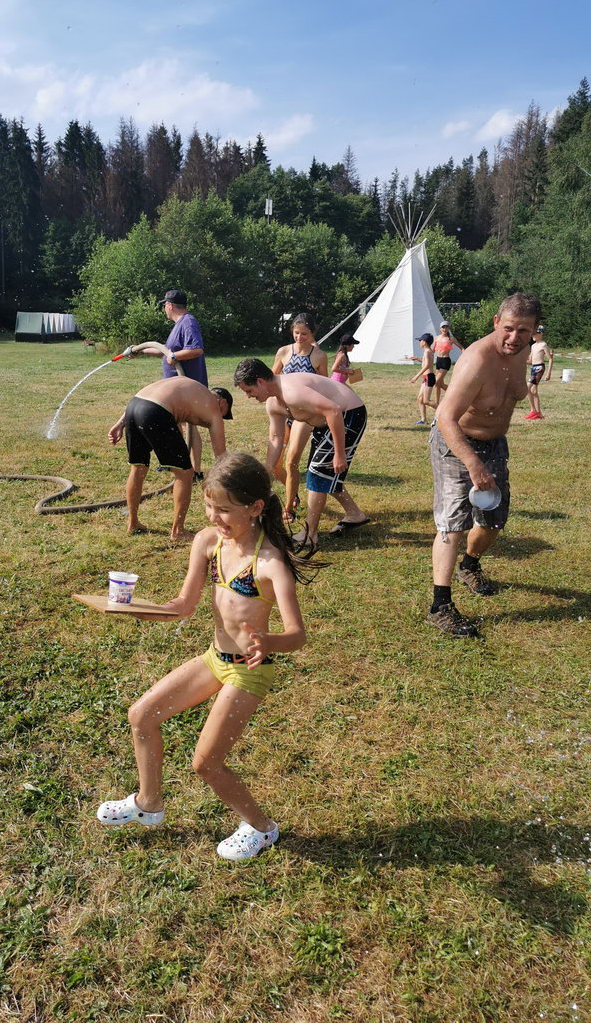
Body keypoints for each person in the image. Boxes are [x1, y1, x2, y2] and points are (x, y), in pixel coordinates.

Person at [95, 453, 314, 860]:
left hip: (248, 672)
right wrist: (138, 609)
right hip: (216, 658)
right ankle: (148, 804)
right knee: (142, 716)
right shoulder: (208, 542)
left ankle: (262, 829)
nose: (214, 516)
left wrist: (269, 642)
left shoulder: (269, 563)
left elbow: (297, 635)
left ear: (255, 508)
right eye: (209, 506)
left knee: (206, 763)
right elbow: (184, 605)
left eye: (225, 510)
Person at [427, 292, 540, 638]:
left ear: (534, 331)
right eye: (508, 328)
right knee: (452, 524)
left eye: (523, 331)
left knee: (494, 518)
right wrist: (473, 463)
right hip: (456, 443)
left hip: (494, 445)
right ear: (496, 322)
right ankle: (440, 605)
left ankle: (470, 565)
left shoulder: (521, 353)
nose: (514, 337)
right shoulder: (476, 359)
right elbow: (445, 416)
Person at [233, 357, 369, 553]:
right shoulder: (273, 403)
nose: (248, 396)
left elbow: (333, 411)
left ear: (260, 382)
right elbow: (276, 437)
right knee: (322, 472)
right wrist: (267, 470)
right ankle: (354, 514)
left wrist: (339, 453)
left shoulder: (292, 392)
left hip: (348, 414)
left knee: (318, 472)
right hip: (326, 421)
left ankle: (310, 534)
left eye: (249, 390)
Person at [108, 376, 233, 540]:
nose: (221, 418)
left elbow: (151, 397)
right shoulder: (213, 406)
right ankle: (178, 531)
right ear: (223, 403)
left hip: (133, 406)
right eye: (224, 414)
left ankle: (133, 523)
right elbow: (221, 458)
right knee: (185, 474)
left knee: (138, 467)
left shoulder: (192, 390)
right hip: (156, 411)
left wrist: (120, 423)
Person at [138, 289, 208, 477]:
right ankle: (175, 463)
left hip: (187, 388)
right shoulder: (179, 325)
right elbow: (165, 351)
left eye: (164, 306)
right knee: (174, 425)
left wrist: (174, 356)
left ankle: (196, 471)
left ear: (169, 305)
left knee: (190, 427)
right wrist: (140, 350)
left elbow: (196, 349)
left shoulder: (188, 322)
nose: (164, 309)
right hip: (175, 388)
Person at [270, 312, 328, 523]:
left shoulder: (318, 356)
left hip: (304, 415)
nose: (299, 337)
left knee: (291, 461)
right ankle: (293, 493)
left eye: (304, 334)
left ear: (312, 333)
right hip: (283, 411)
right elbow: (271, 378)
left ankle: (288, 509)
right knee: (275, 464)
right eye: (296, 333)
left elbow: (325, 386)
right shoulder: (284, 352)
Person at [525, 325, 553, 420]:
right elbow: (530, 361)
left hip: (539, 368)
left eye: (535, 333)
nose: (533, 335)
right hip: (533, 367)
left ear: (541, 334)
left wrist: (548, 373)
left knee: (527, 388)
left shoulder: (543, 345)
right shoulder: (533, 346)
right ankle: (539, 413)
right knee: (533, 391)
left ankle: (533, 410)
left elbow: (550, 359)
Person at [432, 321, 463, 406]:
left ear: (448, 328)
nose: (445, 329)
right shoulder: (436, 338)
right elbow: (432, 351)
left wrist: (465, 356)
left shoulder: (451, 338)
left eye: (446, 327)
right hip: (438, 361)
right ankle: (437, 403)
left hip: (445, 361)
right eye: (443, 327)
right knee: (440, 384)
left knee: (436, 382)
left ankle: (455, 396)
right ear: (440, 328)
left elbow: (461, 348)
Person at [408, 333, 436, 425]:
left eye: (420, 340)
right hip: (426, 378)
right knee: (420, 399)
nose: (419, 342)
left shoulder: (427, 352)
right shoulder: (428, 351)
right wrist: (417, 359)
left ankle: (443, 410)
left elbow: (427, 365)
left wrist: (416, 376)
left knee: (426, 401)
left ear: (424, 342)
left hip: (429, 377)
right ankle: (423, 420)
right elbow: (427, 362)